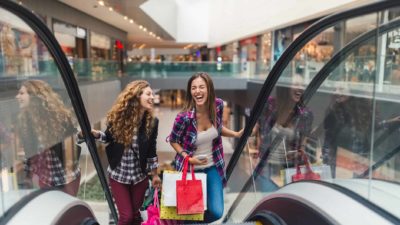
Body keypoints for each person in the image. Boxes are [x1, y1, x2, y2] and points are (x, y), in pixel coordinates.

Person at [167, 72, 243, 223]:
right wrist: (188, 158)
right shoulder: (184, 118)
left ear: (209, 89)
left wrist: (236, 134)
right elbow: (173, 140)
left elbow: (218, 128)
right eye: (194, 88)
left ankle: (192, 221)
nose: (197, 91)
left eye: (201, 87)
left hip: (212, 166)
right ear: (190, 91)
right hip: (189, 170)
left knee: (216, 211)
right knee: (188, 213)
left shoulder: (218, 106)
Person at [88, 80, 161, 225]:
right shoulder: (119, 117)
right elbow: (108, 137)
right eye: (148, 94)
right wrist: (97, 135)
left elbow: (151, 150)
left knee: (135, 215)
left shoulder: (153, 122)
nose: (152, 97)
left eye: (152, 94)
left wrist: (154, 175)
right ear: (136, 95)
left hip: (139, 177)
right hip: (119, 176)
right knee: (126, 216)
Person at [15, 79, 80, 196]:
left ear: (34, 95)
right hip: (45, 179)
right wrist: (28, 176)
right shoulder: (25, 120)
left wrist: (69, 177)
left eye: (21, 93)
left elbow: (70, 146)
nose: (17, 96)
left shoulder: (59, 117)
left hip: (66, 177)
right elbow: (29, 153)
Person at [322, 87, 400, 178]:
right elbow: (329, 135)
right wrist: (326, 156)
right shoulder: (335, 110)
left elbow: (371, 126)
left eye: (342, 89)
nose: (337, 92)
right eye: (335, 89)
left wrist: (391, 122)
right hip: (343, 157)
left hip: (358, 156)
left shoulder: (357, 108)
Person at [254, 74, 313, 190]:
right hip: (268, 167)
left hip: (290, 169)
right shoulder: (270, 105)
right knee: (268, 201)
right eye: (296, 84)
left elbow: (303, 144)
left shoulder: (305, 114)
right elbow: (260, 130)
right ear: (286, 87)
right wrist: (256, 155)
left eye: (302, 85)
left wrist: (298, 152)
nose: (300, 88)